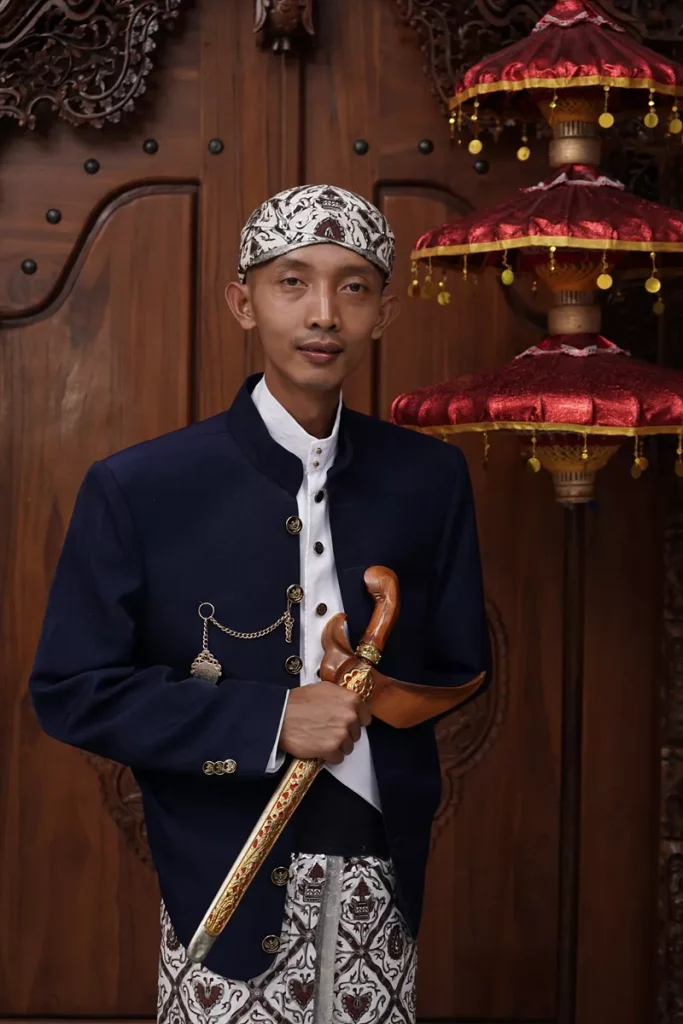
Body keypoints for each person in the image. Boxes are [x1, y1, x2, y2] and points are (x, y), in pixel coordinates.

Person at [30, 184, 491, 1024]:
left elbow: (460, 666)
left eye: (354, 287)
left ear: (383, 313)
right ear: (243, 303)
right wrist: (272, 719)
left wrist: (375, 689)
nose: (324, 313)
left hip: (378, 869)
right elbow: (71, 690)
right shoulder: (141, 487)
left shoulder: (430, 478)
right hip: (221, 871)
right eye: (292, 282)